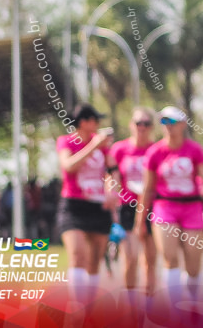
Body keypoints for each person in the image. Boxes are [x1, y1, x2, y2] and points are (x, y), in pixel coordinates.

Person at [136, 106, 203, 305]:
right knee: (170, 258)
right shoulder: (155, 152)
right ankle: (175, 311)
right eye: (163, 122)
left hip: (192, 207)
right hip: (165, 207)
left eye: (171, 122)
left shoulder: (195, 150)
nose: (167, 126)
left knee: (193, 265)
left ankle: (192, 302)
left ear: (182, 124)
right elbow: (147, 188)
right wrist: (140, 220)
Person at [56, 104, 119, 303]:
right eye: (95, 120)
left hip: (98, 207)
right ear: (84, 122)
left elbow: (112, 170)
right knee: (77, 255)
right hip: (73, 207)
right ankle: (77, 311)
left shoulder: (103, 145)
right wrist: (93, 146)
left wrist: (112, 191)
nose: (98, 124)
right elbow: (69, 165)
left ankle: (88, 309)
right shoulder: (66, 141)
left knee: (94, 262)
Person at [109, 107, 158, 294]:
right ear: (132, 125)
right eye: (139, 123)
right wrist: (111, 195)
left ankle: (149, 302)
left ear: (152, 127)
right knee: (130, 258)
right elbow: (110, 177)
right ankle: (130, 303)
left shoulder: (155, 150)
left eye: (146, 123)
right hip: (127, 208)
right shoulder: (120, 149)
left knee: (150, 259)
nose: (142, 127)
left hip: (152, 208)